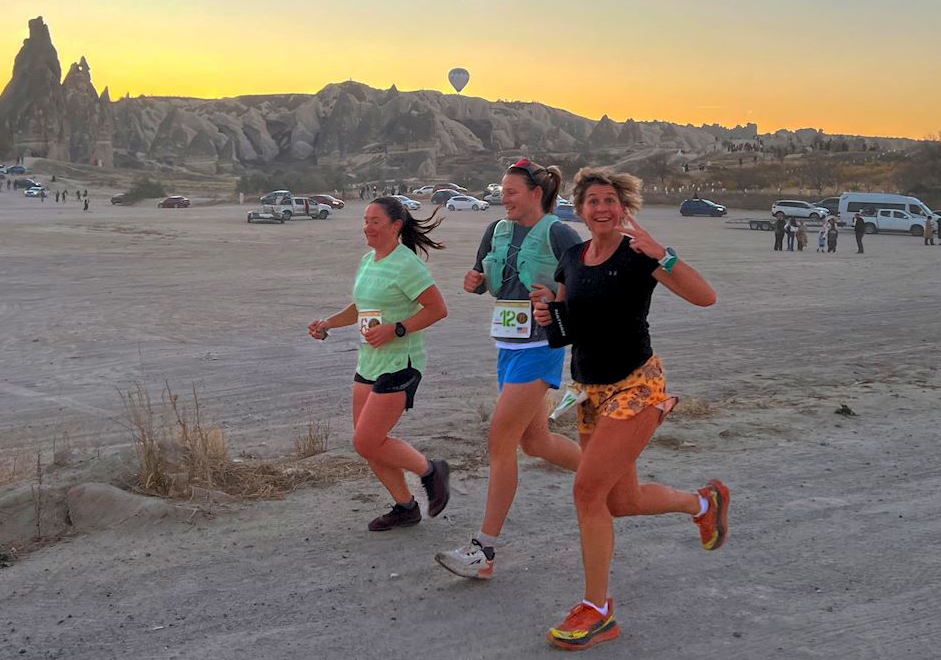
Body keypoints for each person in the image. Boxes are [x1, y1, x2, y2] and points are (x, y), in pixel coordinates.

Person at [533, 169, 727, 650]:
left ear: (624, 208)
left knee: (586, 491)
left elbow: (705, 296)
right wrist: (546, 314)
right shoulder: (572, 258)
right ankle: (704, 502)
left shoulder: (639, 254)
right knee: (620, 501)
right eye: (593, 200)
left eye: (610, 201)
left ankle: (598, 610)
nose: (602, 208)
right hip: (589, 390)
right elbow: (565, 332)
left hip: (636, 384)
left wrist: (665, 254)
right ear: (579, 209)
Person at [436, 158, 583, 580]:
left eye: (512, 192)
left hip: (541, 347)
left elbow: (584, 287)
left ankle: (484, 551)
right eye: (502, 192)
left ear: (536, 194)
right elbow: (485, 276)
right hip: (508, 343)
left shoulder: (560, 232)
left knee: (500, 438)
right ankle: (606, 472)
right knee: (536, 442)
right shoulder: (496, 230)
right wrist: (475, 282)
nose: (504, 199)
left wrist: (557, 297)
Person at [308, 197, 452, 531]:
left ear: (395, 226)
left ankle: (431, 470)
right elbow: (361, 307)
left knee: (366, 441)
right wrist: (327, 323)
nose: (367, 227)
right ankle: (406, 507)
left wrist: (397, 329)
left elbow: (437, 308)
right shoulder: (369, 260)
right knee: (369, 446)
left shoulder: (407, 264)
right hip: (369, 361)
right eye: (365, 220)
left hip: (401, 362)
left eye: (375, 221)